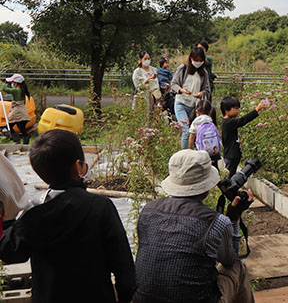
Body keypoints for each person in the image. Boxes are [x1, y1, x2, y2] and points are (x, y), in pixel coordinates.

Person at [0, 130, 136, 303]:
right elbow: (123, 265)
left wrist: (7, 215)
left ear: (38, 172)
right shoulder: (100, 207)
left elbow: (10, 253)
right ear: (78, 166)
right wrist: (125, 296)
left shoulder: (33, 212)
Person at [133, 149, 254, 303]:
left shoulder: (148, 211)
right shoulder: (216, 222)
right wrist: (234, 217)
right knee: (238, 268)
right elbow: (230, 259)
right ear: (205, 188)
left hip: (143, 299)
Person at [171, 46, 212, 150]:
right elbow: (174, 84)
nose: (197, 62)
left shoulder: (204, 73)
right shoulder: (183, 69)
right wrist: (181, 90)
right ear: (191, 59)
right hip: (181, 102)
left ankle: (194, 151)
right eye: (195, 60)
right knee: (186, 130)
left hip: (194, 106)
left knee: (195, 130)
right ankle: (185, 155)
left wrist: (201, 93)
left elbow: (207, 88)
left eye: (200, 61)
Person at [220, 96, 267, 177]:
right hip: (231, 155)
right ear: (226, 110)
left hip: (232, 154)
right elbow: (242, 121)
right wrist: (256, 110)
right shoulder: (228, 122)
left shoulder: (228, 122)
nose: (237, 111)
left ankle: (230, 187)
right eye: (235, 109)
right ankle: (228, 188)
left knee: (231, 174)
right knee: (229, 175)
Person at [189, 99, 222, 169]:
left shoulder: (196, 122)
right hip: (214, 151)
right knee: (215, 167)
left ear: (197, 112)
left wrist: (190, 148)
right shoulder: (211, 121)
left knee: (202, 168)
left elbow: (192, 136)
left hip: (202, 151)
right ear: (210, 111)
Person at [0, 73, 31, 144]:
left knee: (10, 125)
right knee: (22, 129)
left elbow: (6, 89)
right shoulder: (21, 90)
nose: (12, 83)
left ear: (16, 82)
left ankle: (17, 140)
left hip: (18, 112)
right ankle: (24, 143)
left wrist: (1, 83)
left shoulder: (17, 91)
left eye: (12, 82)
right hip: (21, 112)